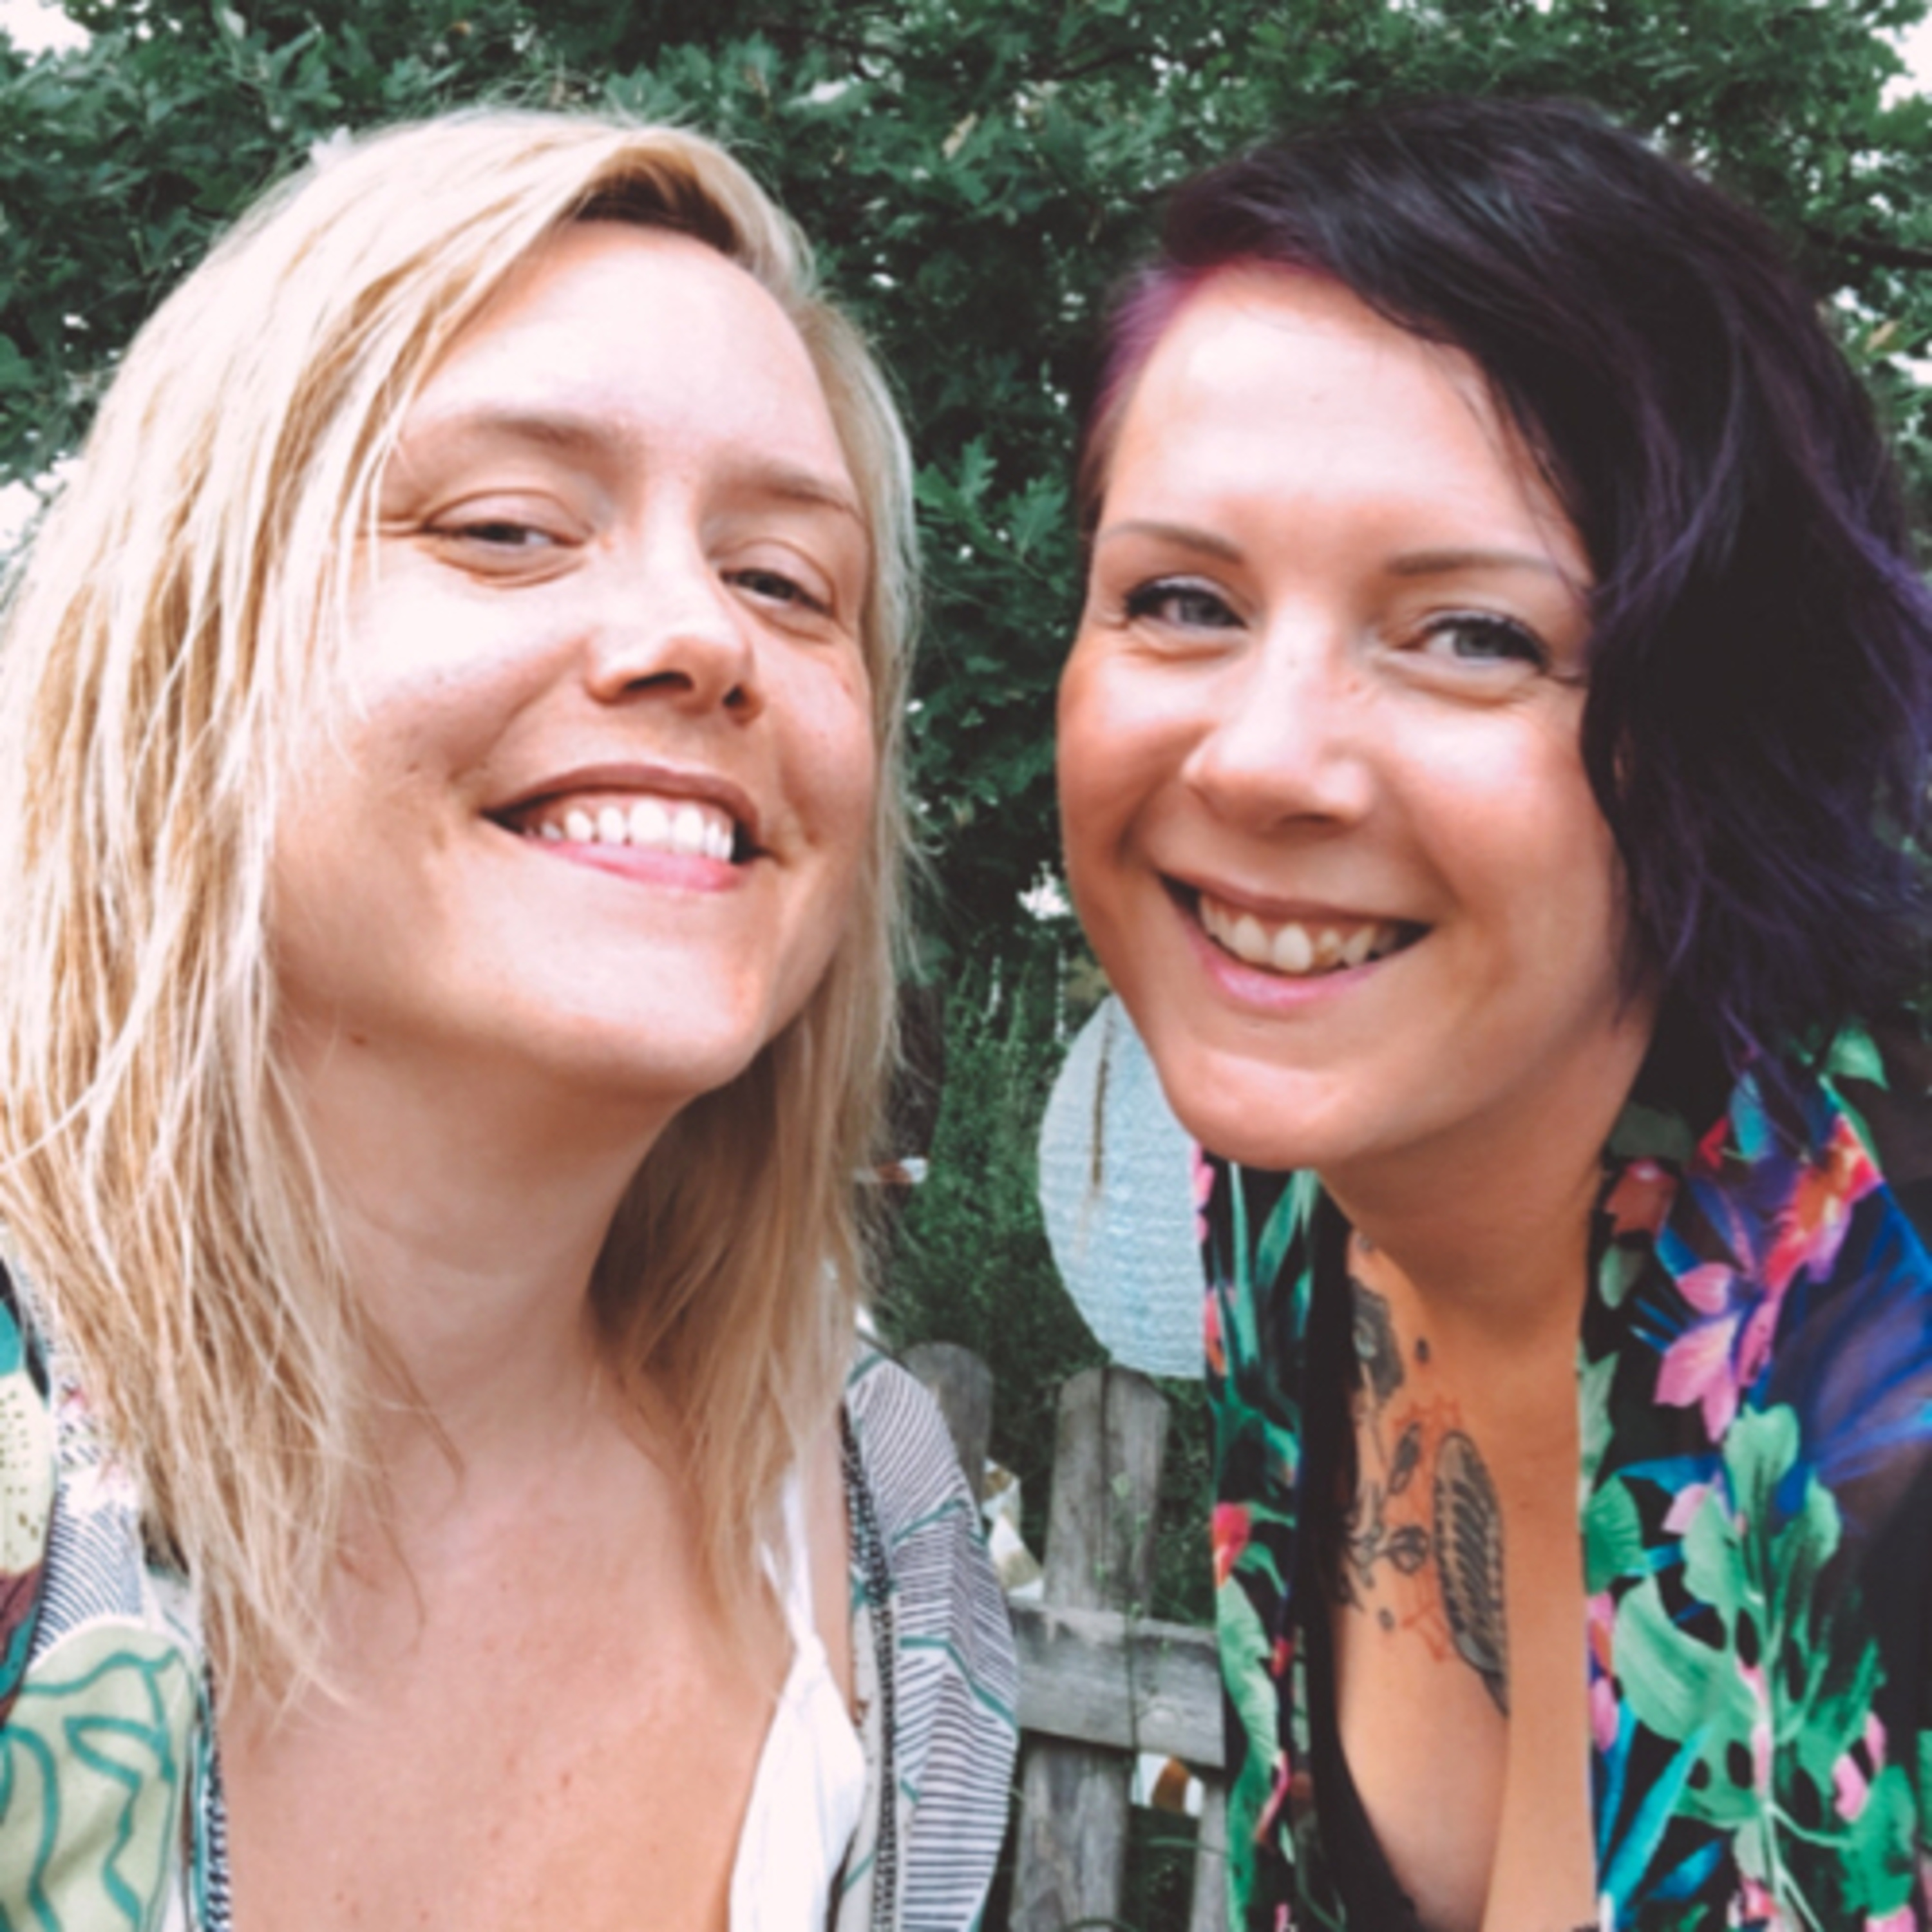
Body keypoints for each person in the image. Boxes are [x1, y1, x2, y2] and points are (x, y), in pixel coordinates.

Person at [0, 110, 1015, 1930]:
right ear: (177, 656)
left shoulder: (882, 1534)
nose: (701, 636)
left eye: (788, 580)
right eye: (510, 529)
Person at [1056, 95, 1932, 1932]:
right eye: (1183, 598)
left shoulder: (1894, 1373)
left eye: (1473, 634)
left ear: (1719, 738)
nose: (1265, 758)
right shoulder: (1289, 1196)